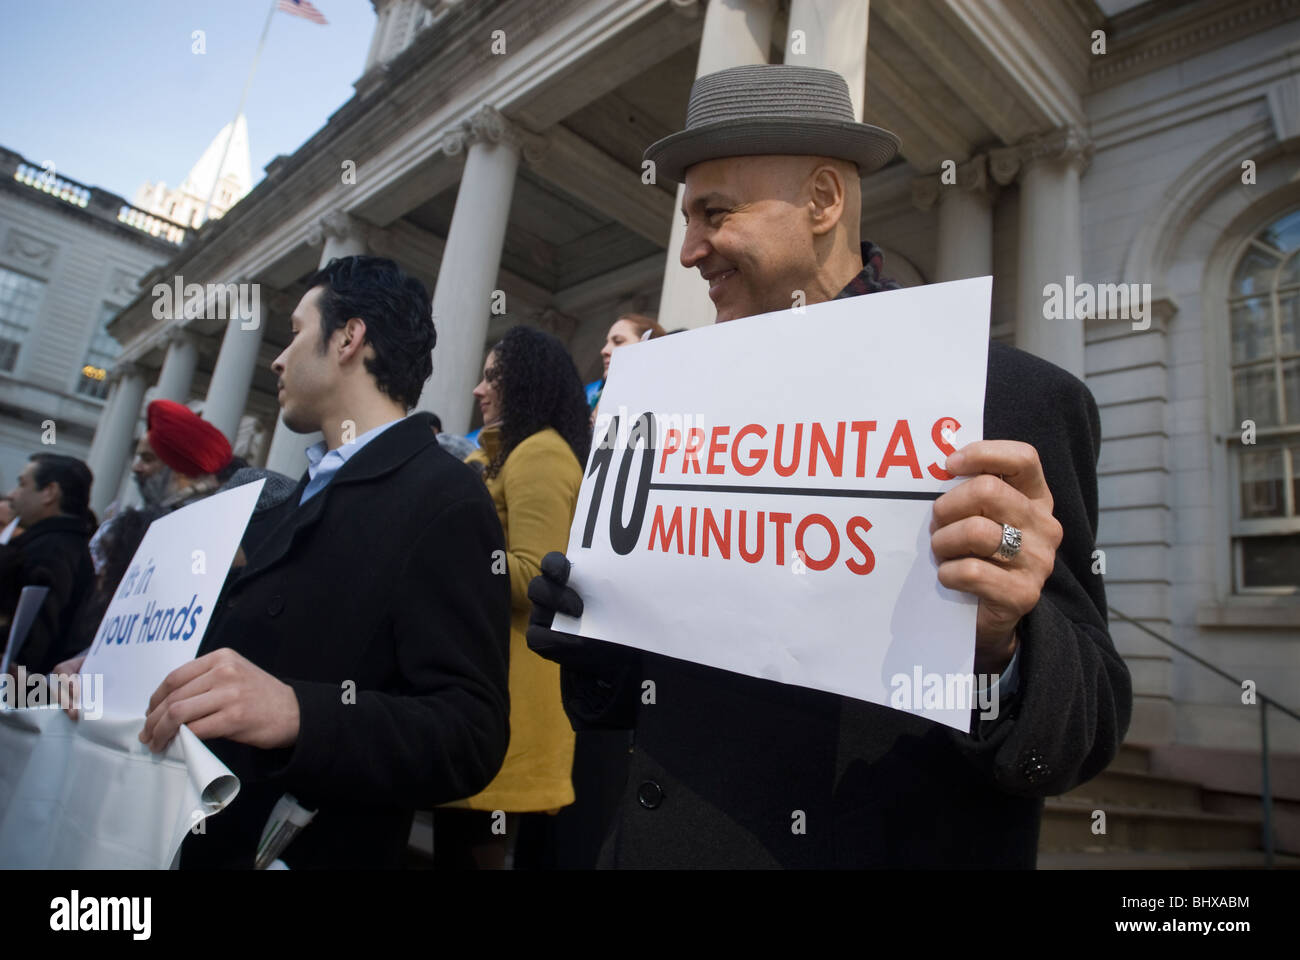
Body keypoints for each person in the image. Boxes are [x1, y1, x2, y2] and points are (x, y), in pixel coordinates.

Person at [527, 64, 1132, 868]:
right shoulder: (670, 400)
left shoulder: (1014, 400)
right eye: (686, 220)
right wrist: (592, 626)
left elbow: (1082, 731)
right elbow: (644, 698)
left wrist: (1005, 645)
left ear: (822, 202)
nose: (689, 250)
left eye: (714, 213)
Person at [136, 254, 511, 869]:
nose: (279, 359)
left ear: (347, 337)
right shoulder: (290, 496)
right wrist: (125, 663)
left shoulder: (444, 498)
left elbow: (470, 734)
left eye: (295, 331)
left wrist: (298, 712)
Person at [433, 325, 589, 869]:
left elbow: (537, 578)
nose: (477, 389)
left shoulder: (539, 456)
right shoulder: (503, 456)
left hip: (510, 702)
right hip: (484, 692)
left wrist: (443, 557)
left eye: (493, 377)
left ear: (526, 383)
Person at [0, 454, 95, 676]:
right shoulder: (62, 545)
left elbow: (37, 635)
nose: (13, 495)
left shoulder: (52, 550)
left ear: (49, 492)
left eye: (23, 484)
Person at [588, 314, 666, 421]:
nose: (604, 350)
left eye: (618, 341)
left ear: (647, 346)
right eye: (607, 342)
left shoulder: (664, 402)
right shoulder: (593, 400)